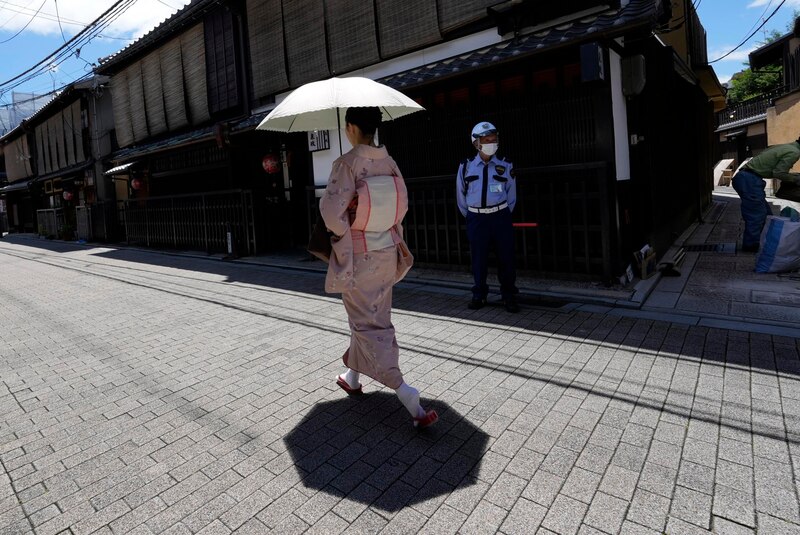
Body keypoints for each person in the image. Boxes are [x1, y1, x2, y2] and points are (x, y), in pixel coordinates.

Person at [320, 106, 437, 429]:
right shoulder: (389, 162)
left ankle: (405, 393)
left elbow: (332, 213)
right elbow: (402, 205)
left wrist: (345, 228)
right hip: (387, 249)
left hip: (360, 255)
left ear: (351, 127)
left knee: (369, 324)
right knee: (371, 316)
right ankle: (351, 377)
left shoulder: (347, 163)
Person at [456, 121, 519, 312]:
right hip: (477, 218)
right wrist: (472, 215)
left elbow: (512, 195)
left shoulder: (505, 165)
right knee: (478, 260)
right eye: (486, 140)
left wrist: (502, 212)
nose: (492, 143)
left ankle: (509, 296)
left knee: (506, 259)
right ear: (476, 143)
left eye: (494, 139)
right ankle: (479, 295)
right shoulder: (466, 167)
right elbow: (461, 195)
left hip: (500, 216)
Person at [732, 137, 800, 252]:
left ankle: (765, 242)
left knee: (766, 215)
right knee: (757, 215)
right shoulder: (794, 152)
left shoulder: (785, 146)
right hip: (750, 179)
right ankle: (751, 246)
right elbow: (779, 173)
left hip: (748, 178)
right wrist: (796, 179)